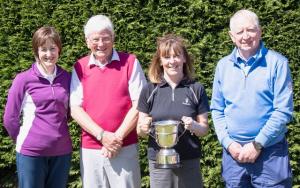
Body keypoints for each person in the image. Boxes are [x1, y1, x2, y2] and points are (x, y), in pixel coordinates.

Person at [211, 9, 293, 187]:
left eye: (251, 30)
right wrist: (228, 143)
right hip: (234, 155)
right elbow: (217, 109)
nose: (245, 36)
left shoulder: (277, 63)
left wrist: (257, 144)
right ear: (232, 36)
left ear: (260, 31)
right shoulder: (223, 66)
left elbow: (283, 111)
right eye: (240, 32)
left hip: (270, 154)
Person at [70, 14, 146, 188]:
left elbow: (139, 104)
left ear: (113, 38)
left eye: (106, 38)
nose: (101, 44)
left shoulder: (130, 63)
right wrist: (102, 135)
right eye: (95, 39)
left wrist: (116, 139)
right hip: (91, 149)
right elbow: (75, 108)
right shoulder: (79, 67)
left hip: (124, 147)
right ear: (87, 41)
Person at [3, 26, 72, 188]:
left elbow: (69, 112)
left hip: (62, 152)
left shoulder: (67, 78)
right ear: (36, 51)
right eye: (43, 49)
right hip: (31, 152)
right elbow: (9, 118)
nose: (49, 54)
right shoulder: (24, 79)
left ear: (59, 50)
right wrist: (23, 140)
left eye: (53, 48)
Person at [137, 34, 210, 188]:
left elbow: (204, 129)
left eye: (177, 56)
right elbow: (140, 131)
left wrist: (195, 126)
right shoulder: (149, 89)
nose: (172, 61)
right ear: (160, 61)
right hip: (159, 162)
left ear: (184, 58)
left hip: (189, 160)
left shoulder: (196, 89)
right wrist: (143, 128)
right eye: (166, 57)